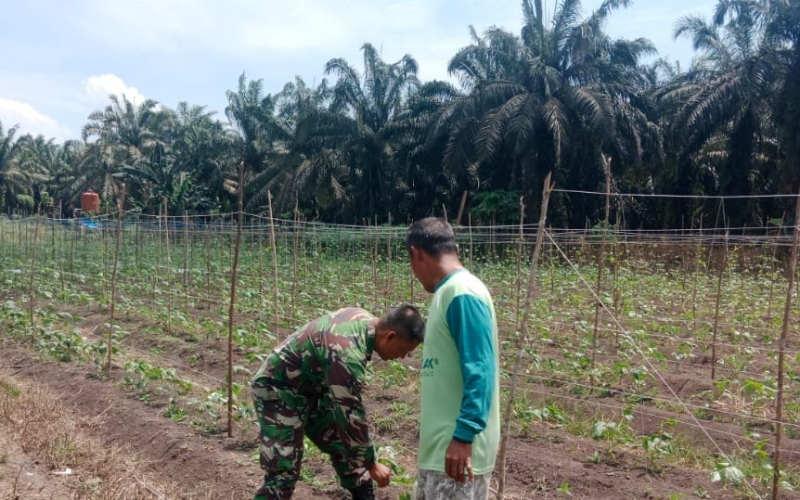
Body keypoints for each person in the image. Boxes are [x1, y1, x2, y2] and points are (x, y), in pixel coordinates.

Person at [251, 305, 425, 500]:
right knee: (283, 472)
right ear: (390, 336)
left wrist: (363, 458)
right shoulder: (347, 354)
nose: (402, 357)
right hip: (278, 388)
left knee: (344, 446)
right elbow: (350, 417)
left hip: (311, 388)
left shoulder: (363, 320)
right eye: (403, 350)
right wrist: (371, 463)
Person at [406, 217, 500, 500]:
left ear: (416, 253)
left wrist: (463, 436)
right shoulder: (448, 292)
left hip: (457, 456)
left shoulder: (462, 292)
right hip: (443, 454)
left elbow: (480, 368)